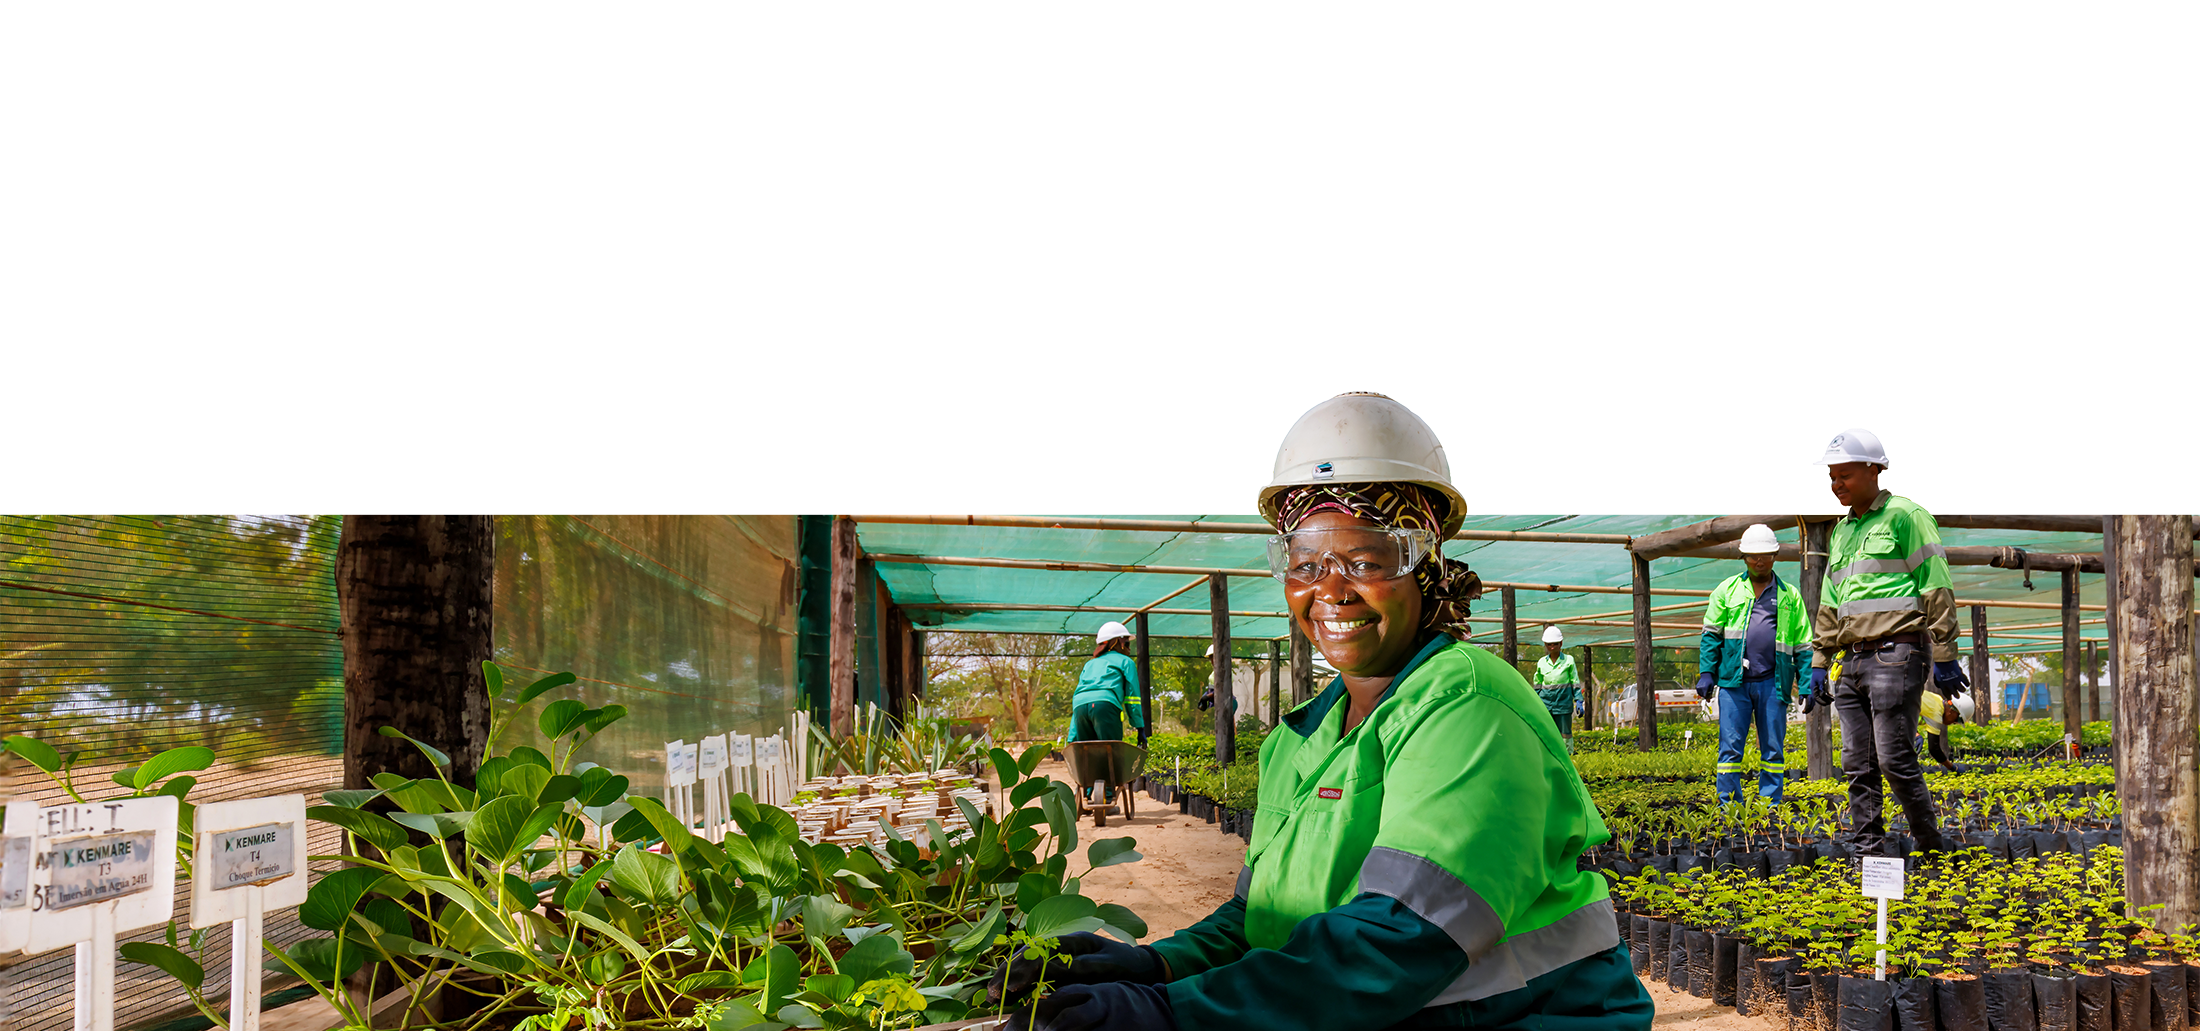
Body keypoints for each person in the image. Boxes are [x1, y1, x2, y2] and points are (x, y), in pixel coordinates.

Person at [997, 392, 1650, 1031]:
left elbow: (1400, 939)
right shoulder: (1297, 739)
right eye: (1304, 562)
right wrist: (1158, 965)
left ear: (1424, 563)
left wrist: (1176, 1011)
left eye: (1367, 560)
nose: (1331, 589)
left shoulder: (1469, 702)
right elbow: (1261, 918)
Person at [1805, 428, 1964, 857]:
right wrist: (1819, 660)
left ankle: (1931, 847)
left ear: (1875, 469)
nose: (1836, 484)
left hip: (1897, 652)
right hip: (1851, 661)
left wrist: (1945, 652)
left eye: (1845, 475)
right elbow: (1830, 600)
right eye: (1832, 476)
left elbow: (1935, 583)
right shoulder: (1842, 531)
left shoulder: (1905, 516)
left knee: (1894, 758)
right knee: (1857, 764)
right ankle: (1868, 852)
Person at [1693, 523, 1811, 805]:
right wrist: (1707, 672)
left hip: (1773, 683)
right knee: (1730, 748)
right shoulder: (1727, 590)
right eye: (1753, 556)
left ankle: (1769, 807)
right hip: (1734, 684)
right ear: (1743, 557)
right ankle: (1729, 807)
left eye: (1766, 555)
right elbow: (1711, 635)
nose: (1759, 561)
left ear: (1775, 556)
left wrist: (1806, 683)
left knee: (1773, 748)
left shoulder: (1789, 595)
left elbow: (1803, 644)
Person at [1533, 625, 1580, 750]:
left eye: (1555, 644)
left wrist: (1579, 700)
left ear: (1561, 644)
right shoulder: (1541, 662)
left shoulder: (1569, 660)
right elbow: (1537, 684)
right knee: (1547, 731)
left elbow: (1574, 681)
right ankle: (1548, 755)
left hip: (1564, 703)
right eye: (1549, 644)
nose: (1552, 647)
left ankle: (1567, 754)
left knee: (1565, 733)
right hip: (1546, 704)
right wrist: (1533, 700)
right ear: (1545, 644)